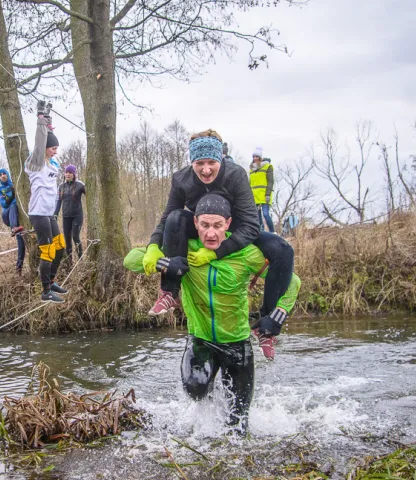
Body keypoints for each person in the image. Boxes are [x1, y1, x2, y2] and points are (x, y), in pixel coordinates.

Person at [125, 194, 301, 434]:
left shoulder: (245, 253)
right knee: (195, 389)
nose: (211, 233)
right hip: (201, 340)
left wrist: (276, 316)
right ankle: (207, 417)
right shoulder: (183, 248)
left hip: (238, 345)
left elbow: (292, 282)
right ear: (195, 223)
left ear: (227, 225)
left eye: (217, 226)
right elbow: (130, 260)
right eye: (205, 225)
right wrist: (162, 263)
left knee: (239, 425)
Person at [142, 130, 295, 338]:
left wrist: (216, 253)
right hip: (201, 226)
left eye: (211, 163)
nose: (206, 170)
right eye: (199, 164)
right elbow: (167, 219)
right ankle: (170, 292)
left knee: (283, 249)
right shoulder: (181, 179)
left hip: (237, 227)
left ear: (220, 159)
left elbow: (251, 225)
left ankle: (266, 321)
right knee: (175, 218)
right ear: (192, 162)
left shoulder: (235, 174)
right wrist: (152, 247)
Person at [25, 101, 68, 304]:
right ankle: (45, 291)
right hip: (38, 213)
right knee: (48, 250)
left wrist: (48, 119)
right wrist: (40, 119)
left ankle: (51, 282)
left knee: (60, 247)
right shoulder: (36, 162)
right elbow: (40, 140)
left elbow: (48, 133)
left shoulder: (53, 163)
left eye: (56, 148)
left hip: (49, 213)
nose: (55, 151)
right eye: (53, 148)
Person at [0, 168, 26, 274]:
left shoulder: (14, 184)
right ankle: (14, 228)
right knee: (13, 206)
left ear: (8, 175)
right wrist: (12, 195)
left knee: (22, 245)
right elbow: (4, 204)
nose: (3, 176)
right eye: (0, 175)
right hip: (7, 215)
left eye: (4, 173)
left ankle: (18, 269)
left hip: (18, 218)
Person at [54, 165, 85, 263]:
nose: (67, 174)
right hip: (66, 216)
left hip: (77, 215)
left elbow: (90, 196)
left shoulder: (80, 185)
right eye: (66, 172)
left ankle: (81, 259)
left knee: (75, 236)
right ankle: (69, 262)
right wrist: (55, 214)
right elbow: (58, 201)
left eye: (70, 173)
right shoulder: (61, 186)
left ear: (74, 174)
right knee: (67, 239)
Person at [249, 149, 275, 233]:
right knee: (257, 216)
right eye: (254, 157)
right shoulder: (251, 170)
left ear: (260, 158)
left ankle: (272, 232)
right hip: (254, 196)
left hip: (264, 195)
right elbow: (250, 184)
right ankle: (260, 232)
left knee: (266, 214)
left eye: (257, 156)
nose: (255, 158)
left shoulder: (267, 167)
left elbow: (270, 181)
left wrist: (268, 194)